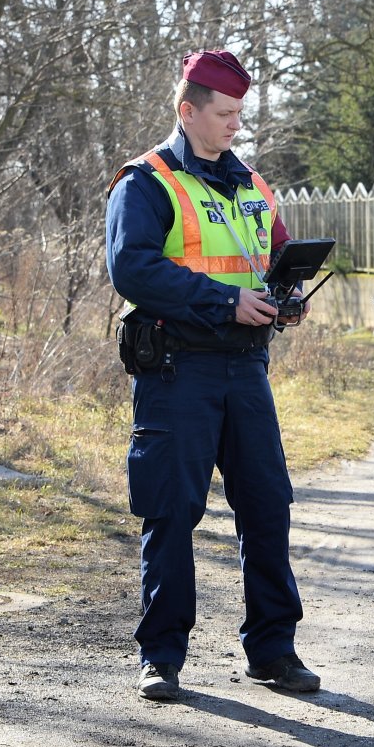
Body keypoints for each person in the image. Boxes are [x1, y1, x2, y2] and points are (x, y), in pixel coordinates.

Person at [104, 49, 317, 702]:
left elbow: (276, 251)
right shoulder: (146, 182)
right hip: (179, 369)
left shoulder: (252, 183)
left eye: (239, 115)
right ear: (186, 110)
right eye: (224, 114)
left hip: (247, 367)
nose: (234, 126)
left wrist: (288, 295)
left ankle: (273, 651)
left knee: (267, 507)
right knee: (171, 511)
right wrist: (224, 301)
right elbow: (132, 268)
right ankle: (161, 657)